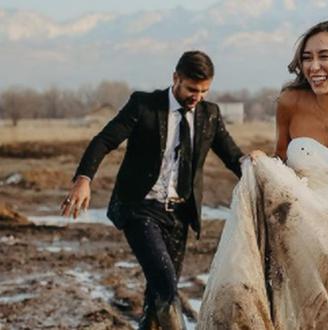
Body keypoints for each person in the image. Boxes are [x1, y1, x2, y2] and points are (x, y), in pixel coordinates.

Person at [199, 20, 328, 329]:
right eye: (307, 57)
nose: (313, 66)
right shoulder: (290, 102)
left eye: (324, 56)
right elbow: (281, 163)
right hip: (295, 241)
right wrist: (263, 162)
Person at [60, 51, 244, 330]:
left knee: (157, 295)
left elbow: (233, 157)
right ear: (175, 78)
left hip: (180, 214)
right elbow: (104, 140)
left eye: (204, 91)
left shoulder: (210, 114)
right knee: (166, 283)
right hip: (140, 208)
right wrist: (83, 178)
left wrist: (260, 171)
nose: (198, 97)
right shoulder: (144, 105)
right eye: (192, 89)